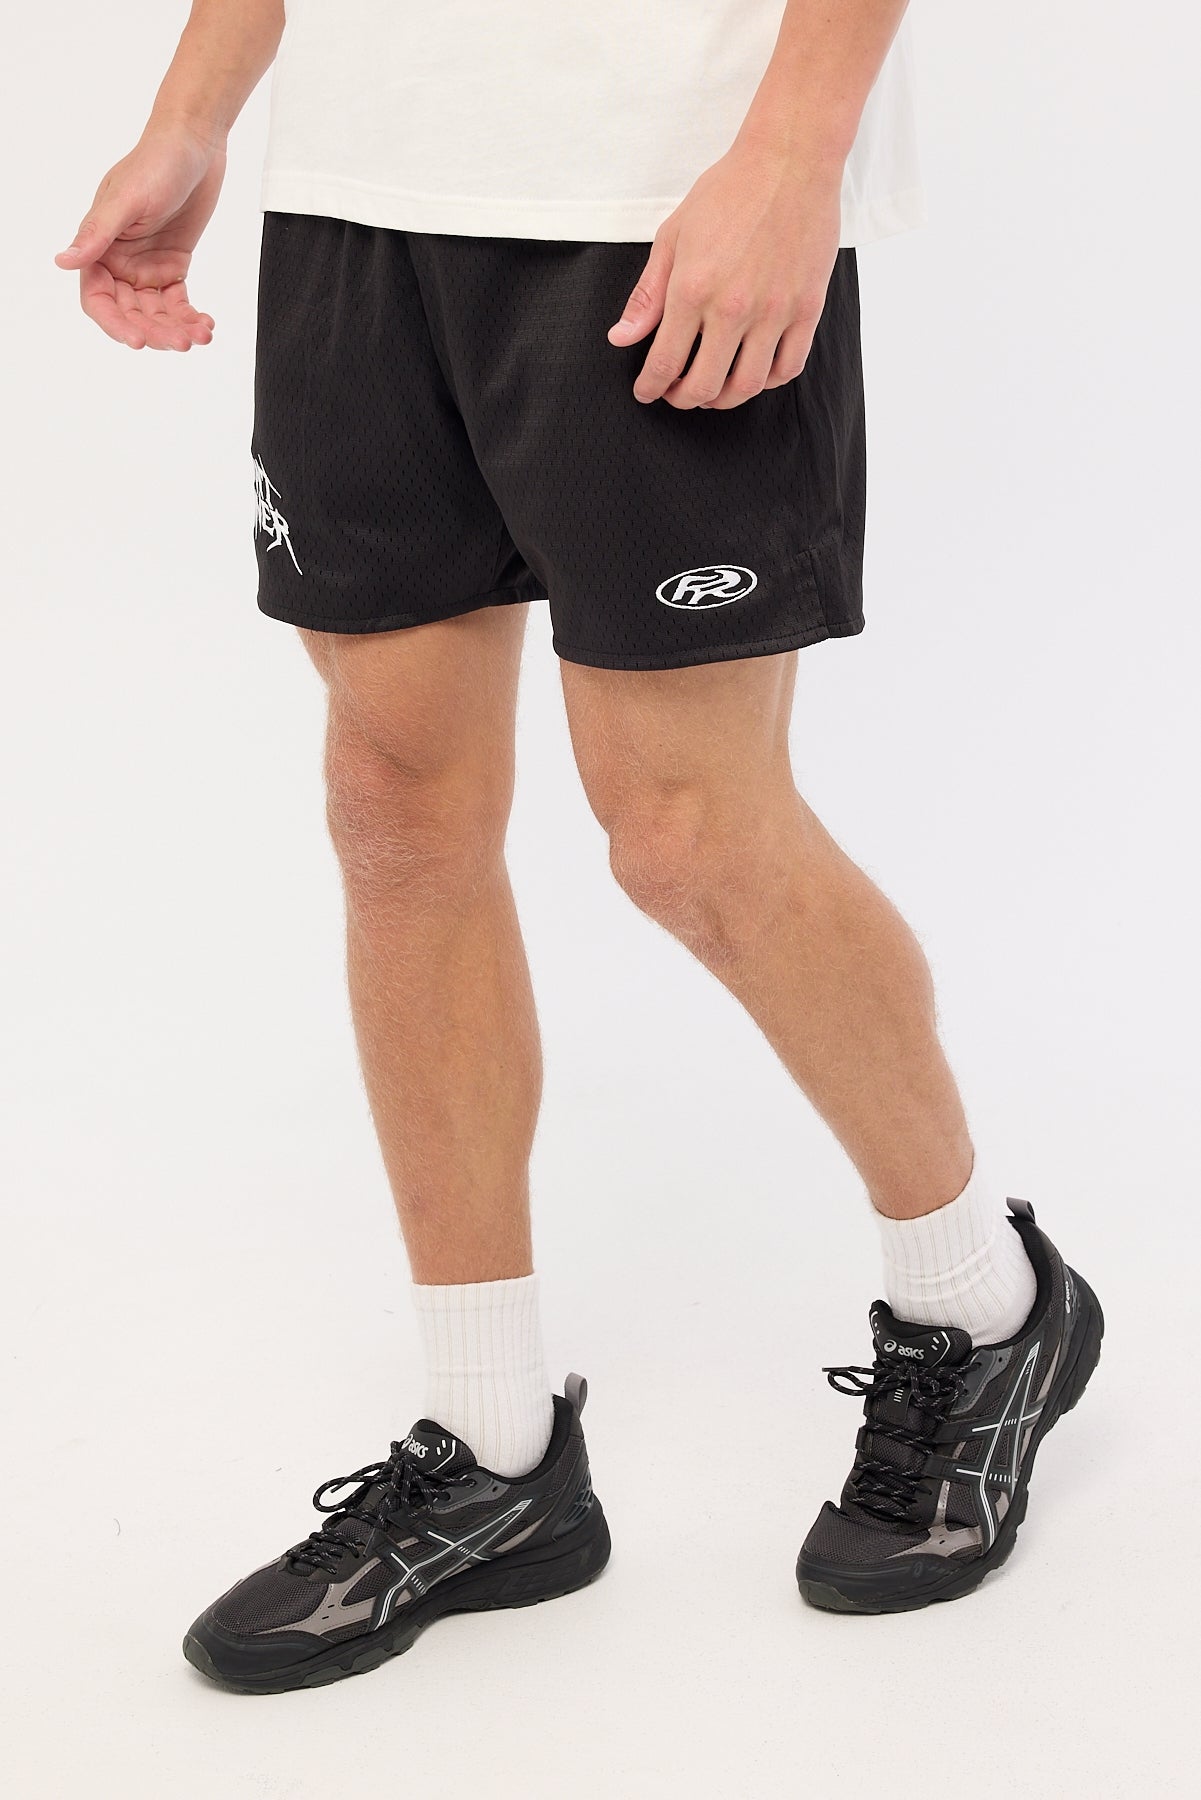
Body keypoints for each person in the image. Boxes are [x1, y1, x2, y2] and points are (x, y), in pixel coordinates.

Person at [57, 0, 1103, 1693]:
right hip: (360, 189)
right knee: (394, 805)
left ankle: (984, 1304)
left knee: (687, 834)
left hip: (659, 185)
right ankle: (495, 1456)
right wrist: (193, 115)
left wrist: (794, 155)